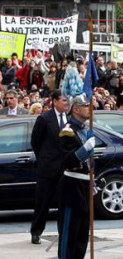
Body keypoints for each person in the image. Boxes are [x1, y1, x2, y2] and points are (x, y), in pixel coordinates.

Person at [57, 94, 95, 258]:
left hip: (85, 184)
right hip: (72, 185)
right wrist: (85, 149)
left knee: (82, 230)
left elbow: (91, 162)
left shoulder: (85, 129)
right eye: (86, 105)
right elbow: (67, 160)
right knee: (71, 230)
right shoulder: (68, 130)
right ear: (76, 109)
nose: (89, 108)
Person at [30, 90, 69, 245]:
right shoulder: (44, 118)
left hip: (65, 169)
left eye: (67, 100)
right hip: (47, 169)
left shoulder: (70, 119)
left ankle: (63, 233)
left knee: (64, 203)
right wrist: (45, 159)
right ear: (54, 101)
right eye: (63, 100)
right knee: (42, 202)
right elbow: (35, 142)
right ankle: (36, 231)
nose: (66, 103)